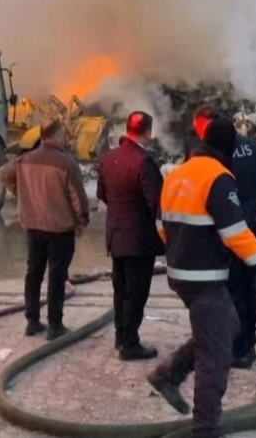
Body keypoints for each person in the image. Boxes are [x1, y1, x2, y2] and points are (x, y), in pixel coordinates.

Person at [146, 118, 256, 438]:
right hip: (205, 277)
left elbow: (161, 226)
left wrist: (183, 250)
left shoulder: (177, 174)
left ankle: (169, 373)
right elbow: (236, 234)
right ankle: (206, 427)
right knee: (216, 354)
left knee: (227, 324)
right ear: (231, 149)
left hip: (180, 272)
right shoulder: (219, 178)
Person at [0, 119, 90, 340]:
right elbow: (78, 198)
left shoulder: (25, 159)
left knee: (33, 273)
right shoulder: (66, 162)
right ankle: (55, 325)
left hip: (33, 226)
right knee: (57, 276)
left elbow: (3, 173)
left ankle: (32, 321)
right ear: (58, 136)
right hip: (60, 229)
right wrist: (82, 220)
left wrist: (22, 194)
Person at [193, 107, 256, 369]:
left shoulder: (211, 157)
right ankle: (246, 345)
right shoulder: (253, 149)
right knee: (246, 290)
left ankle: (232, 344)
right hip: (248, 228)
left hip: (222, 232)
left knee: (224, 291)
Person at [96, 111, 164, 361]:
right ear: (147, 132)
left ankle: (120, 334)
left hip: (115, 236)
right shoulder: (144, 161)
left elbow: (102, 193)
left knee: (121, 288)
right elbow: (156, 201)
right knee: (136, 292)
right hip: (139, 239)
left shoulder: (108, 158)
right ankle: (130, 343)